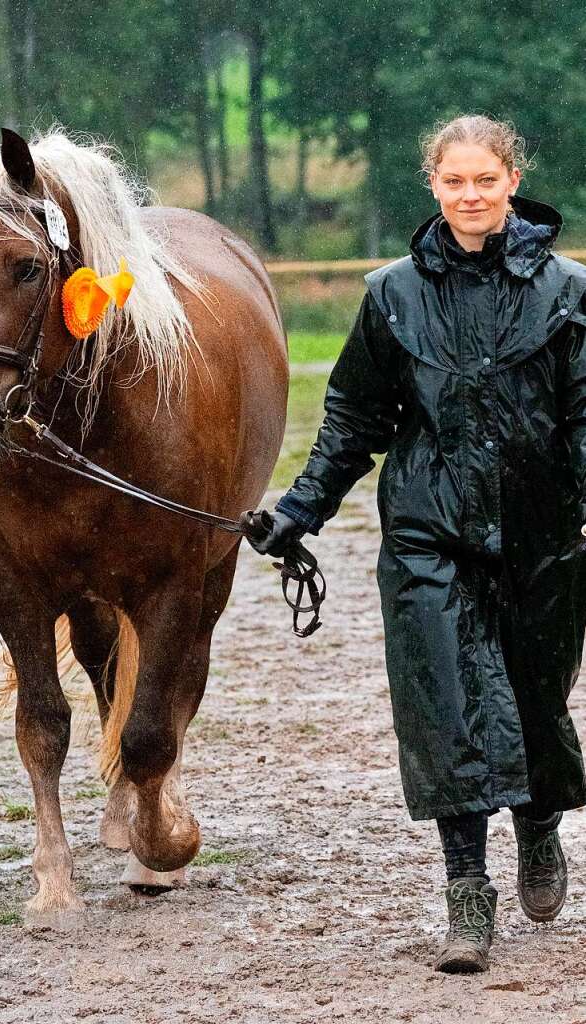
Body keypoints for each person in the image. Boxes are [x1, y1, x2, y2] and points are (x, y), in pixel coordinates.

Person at [249, 114, 586, 973]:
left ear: (513, 181)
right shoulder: (392, 293)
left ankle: (540, 827)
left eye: (485, 180)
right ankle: (466, 894)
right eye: (453, 181)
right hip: (429, 534)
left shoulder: (568, 291)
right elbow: (357, 418)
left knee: (536, 697)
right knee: (445, 709)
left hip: (542, 538)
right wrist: (299, 508)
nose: (469, 196)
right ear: (432, 186)